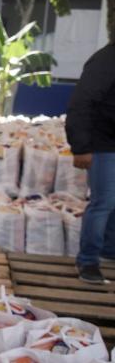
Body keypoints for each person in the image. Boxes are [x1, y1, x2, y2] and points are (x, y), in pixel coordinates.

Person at [66, 19, 115, 285]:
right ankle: (88, 262)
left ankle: (109, 251)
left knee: (112, 205)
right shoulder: (106, 60)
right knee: (103, 203)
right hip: (104, 146)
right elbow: (82, 103)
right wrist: (81, 147)